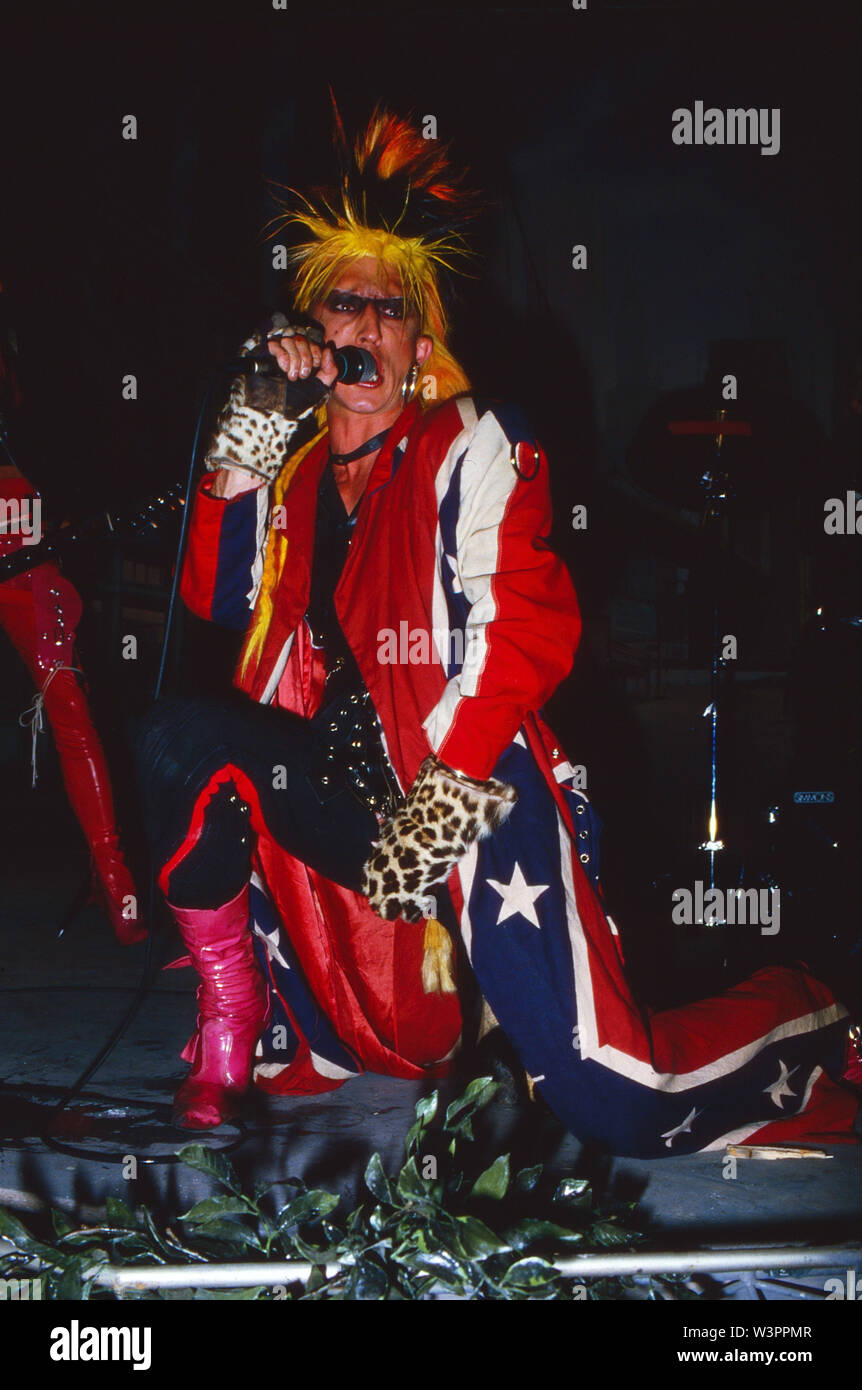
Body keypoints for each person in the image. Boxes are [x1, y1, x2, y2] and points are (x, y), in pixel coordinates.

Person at [138, 104, 859, 1152]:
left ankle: (806, 1011)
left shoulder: (469, 444)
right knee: (174, 740)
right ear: (314, 332)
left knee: (617, 1102)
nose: (371, 329)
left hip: (468, 795)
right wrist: (249, 426)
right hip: (343, 801)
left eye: (395, 313)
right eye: (348, 306)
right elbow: (214, 601)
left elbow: (522, 632)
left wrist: (431, 818)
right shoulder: (289, 472)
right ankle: (231, 1014)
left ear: (419, 343)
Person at [0, 283, 144, 947]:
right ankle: (113, 882)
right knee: (69, 706)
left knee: (69, 701)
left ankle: (116, 883)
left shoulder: (32, 336)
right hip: (23, 519)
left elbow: (65, 434)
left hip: (21, 526)